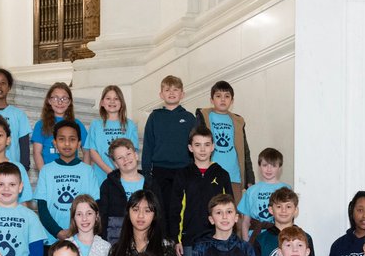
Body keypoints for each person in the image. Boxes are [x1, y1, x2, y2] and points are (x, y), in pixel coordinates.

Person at [168, 127, 234, 256]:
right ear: (190, 148)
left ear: (213, 146)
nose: (202, 149)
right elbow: (175, 209)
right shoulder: (183, 174)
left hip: (217, 238)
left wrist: (227, 236)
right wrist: (177, 239)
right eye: (197, 145)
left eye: (206, 145)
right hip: (190, 240)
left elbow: (229, 208)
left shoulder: (221, 174)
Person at [34, 120, 102, 239]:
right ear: (54, 142)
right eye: (61, 139)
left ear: (79, 143)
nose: (67, 144)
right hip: (52, 238)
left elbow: (95, 205)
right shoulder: (46, 170)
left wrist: (77, 230)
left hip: (82, 236)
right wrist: (57, 231)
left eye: (72, 139)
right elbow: (42, 208)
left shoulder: (87, 170)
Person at [140, 74, 194, 209]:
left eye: (175, 89)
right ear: (161, 94)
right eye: (167, 90)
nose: (171, 93)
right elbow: (148, 145)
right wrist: (147, 173)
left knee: (180, 209)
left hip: (183, 170)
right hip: (160, 171)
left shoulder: (189, 118)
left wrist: (195, 169)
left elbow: (195, 146)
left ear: (182, 94)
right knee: (160, 210)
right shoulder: (154, 117)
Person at [195, 80, 254, 193]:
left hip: (234, 177)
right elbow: (195, 145)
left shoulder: (238, 121)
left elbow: (245, 151)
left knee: (233, 209)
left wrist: (250, 178)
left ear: (232, 101)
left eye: (227, 96)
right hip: (210, 175)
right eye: (218, 96)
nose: (223, 99)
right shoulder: (204, 117)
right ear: (211, 100)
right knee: (211, 209)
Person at [254, 187, 316, 256]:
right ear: (271, 210)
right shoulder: (261, 240)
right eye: (279, 206)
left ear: (295, 210)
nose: (283, 210)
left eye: (288, 206)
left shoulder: (305, 238)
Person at [31, 82, 86, 176]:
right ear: (49, 101)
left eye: (64, 98)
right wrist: (44, 175)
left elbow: (87, 151)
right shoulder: (40, 125)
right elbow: (37, 153)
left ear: (69, 102)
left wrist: (84, 172)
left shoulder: (77, 124)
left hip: (73, 174)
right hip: (50, 174)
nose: (60, 102)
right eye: (55, 98)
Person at [84, 85, 140, 177]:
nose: (112, 101)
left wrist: (121, 172)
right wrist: (110, 172)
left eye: (116, 98)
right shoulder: (95, 124)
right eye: (108, 98)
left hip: (124, 175)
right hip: (100, 175)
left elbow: (132, 152)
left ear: (121, 102)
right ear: (102, 102)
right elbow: (92, 152)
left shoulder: (130, 125)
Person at [97, 138, 145, 244]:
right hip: (116, 242)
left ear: (136, 155)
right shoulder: (108, 185)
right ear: (115, 163)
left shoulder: (151, 184)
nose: (126, 159)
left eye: (128, 154)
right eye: (120, 157)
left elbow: (160, 214)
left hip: (146, 240)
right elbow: (102, 217)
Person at [237, 147, 289, 242]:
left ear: (279, 167)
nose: (269, 169)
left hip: (279, 236)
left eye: (273, 165)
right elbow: (245, 222)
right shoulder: (251, 190)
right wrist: (246, 243)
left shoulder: (286, 189)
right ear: (259, 166)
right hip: (255, 237)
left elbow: (290, 218)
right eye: (265, 165)